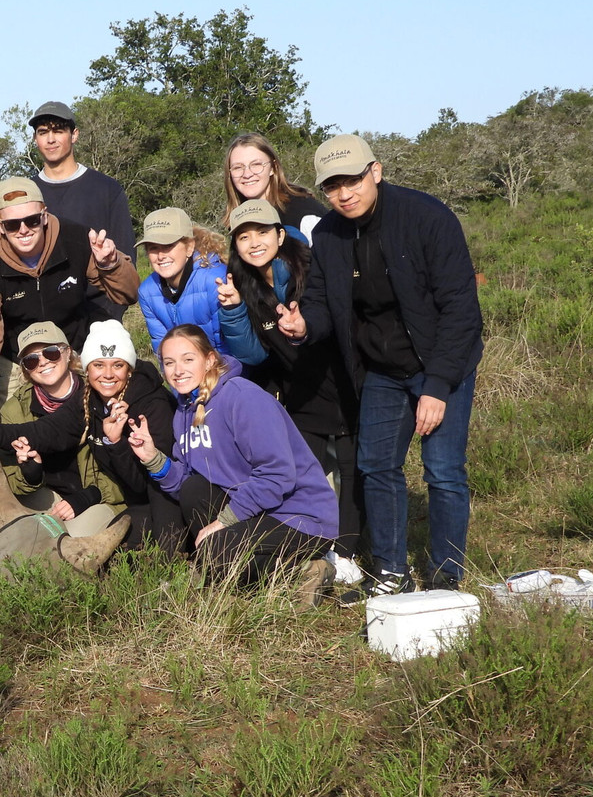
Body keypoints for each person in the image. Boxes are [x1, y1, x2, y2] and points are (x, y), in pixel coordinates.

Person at [277, 134, 483, 594]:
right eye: (332, 186)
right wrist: (304, 324)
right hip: (382, 369)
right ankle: (392, 571)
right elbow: (321, 302)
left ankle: (446, 574)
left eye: (352, 180)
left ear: (376, 171)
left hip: (442, 360)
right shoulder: (328, 234)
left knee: (443, 470)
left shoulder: (427, 217)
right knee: (376, 465)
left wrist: (438, 385)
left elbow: (460, 309)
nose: (344, 193)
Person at [127, 325, 338, 602]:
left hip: (300, 517)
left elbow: (277, 475)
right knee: (193, 491)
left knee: (215, 550)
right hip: (255, 511)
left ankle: (307, 569)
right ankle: (232, 569)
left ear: (209, 360)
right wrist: (153, 459)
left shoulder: (242, 397)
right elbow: (186, 484)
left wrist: (225, 522)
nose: (177, 370)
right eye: (169, 362)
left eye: (188, 359)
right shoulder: (184, 413)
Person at [215, 199, 363, 591]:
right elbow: (253, 354)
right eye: (243, 237)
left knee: (352, 468)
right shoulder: (243, 286)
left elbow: (335, 320)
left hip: (343, 382)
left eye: (263, 232)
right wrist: (233, 310)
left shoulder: (309, 269)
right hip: (300, 392)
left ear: (281, 235)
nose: (254, 242)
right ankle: (317, 550)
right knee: (302, 475)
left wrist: (304, 324)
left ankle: (347, 551)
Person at [0, 177, 138, 408]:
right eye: (12, 224)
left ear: (44, 215)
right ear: (0, 225)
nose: (23, 230)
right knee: (12, 422)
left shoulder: (78, 240)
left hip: (74, 347)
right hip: (18, 358)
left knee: (99, 413)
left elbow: (128, 294)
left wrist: (110, 265)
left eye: (32, 220)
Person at [0, 322, 125, 526]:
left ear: (68, 353)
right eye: (31, 360)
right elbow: (8, 477)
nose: (43, 362)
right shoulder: (13, 410)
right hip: (47, 497)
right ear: (25, 369)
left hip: (99, 497)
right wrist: (30, 474)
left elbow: (127, 466)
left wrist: (90, 495)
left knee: (72, 537)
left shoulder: (99, 391)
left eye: (51, 352)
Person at [27, 100, 136, 322]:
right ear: (35, 139)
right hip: (42, 320)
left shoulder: (107, 189)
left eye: (58, 131)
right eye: (43, 132)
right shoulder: (27, 194)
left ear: (74, 135)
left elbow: (125, 260)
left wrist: (110, 318)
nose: (50, 139)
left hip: (100, 315)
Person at [80, 319, 183, 550]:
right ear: (87, 369)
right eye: (98, 365)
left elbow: (154, 485)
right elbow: (49, 430)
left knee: (152, 545)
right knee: (118, 539)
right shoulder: (89, 399)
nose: (108, 374)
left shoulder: (154, 405)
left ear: (129, 370)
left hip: (171, 497)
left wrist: (118, 444)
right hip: (137, 501)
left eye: (117, 365)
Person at [136, 208, 229, 356]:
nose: (160, 256)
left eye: (168, 246)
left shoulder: (215, 281)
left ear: (189, 247)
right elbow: (163, 351)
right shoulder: (147, 291)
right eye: (153, 248)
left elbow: (227, 350)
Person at [222, 132, 328, 244]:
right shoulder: (238, 218)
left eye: (256, 164)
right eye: (238, 167)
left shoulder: (303, 214)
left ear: (273, 168)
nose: (247, 174)